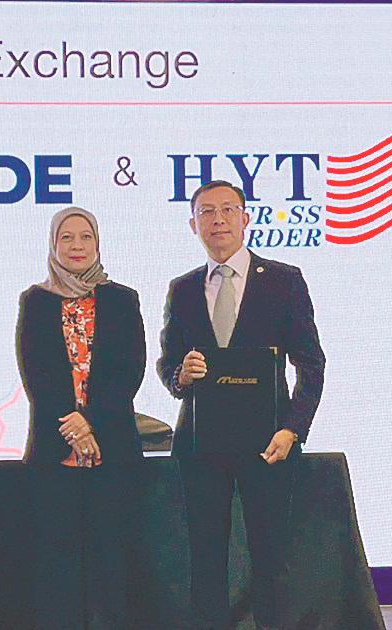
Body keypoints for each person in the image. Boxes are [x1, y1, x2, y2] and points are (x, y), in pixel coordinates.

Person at [157, 180, 325, 630]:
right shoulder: (183, 288)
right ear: (193, 224)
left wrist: (293, 428)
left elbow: (311, 364)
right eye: (207, 212)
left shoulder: (285, 281)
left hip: (270, 443)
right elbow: (168, 363)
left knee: (271, 560)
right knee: (206, 561)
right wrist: (179, 375)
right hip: (201, 444)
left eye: (228, 210)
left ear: (246, 219)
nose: (218, 220)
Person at [17, 206, 146, 629]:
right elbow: (35, 373)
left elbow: (130, 371)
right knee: (58, 564)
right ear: (54, 245)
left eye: (85, 237)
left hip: (114, 450)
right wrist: (72, 427)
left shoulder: (122, 300)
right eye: (66, 238)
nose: (76, 246)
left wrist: (89, 421)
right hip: (55, 452)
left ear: (97, 243)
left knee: (113, 562)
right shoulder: (35, 300)